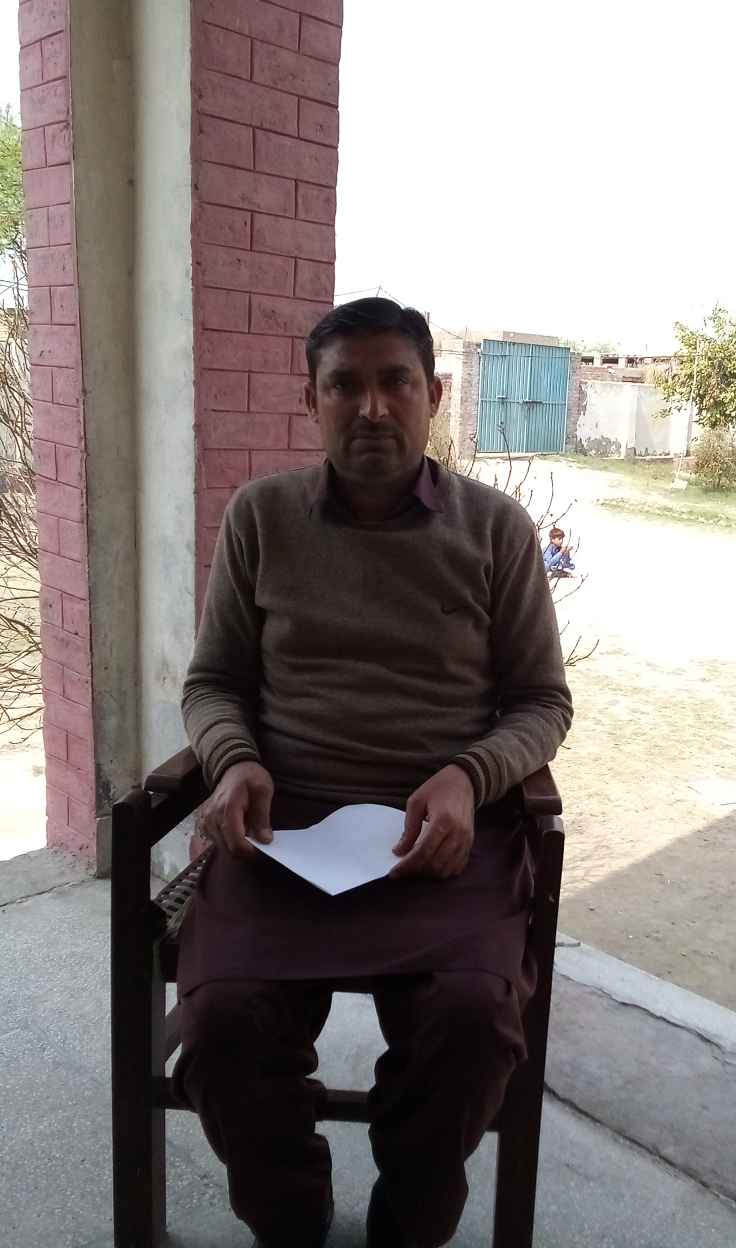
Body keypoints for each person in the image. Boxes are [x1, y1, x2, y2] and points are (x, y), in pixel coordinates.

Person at [173, 297, 573, 1248]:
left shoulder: (496, 530)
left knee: (473, 1023)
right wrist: (233, 762)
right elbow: (214, 682)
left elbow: (542, 703)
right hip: (282, 835)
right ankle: (290, 1213)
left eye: (395, 381)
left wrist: (470, 776)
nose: (372, 408)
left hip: (441, 839)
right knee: (221, 1025)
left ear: (433, 392)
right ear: (310, 400)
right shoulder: (261, 517)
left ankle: (409, 1221)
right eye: (343, 385)